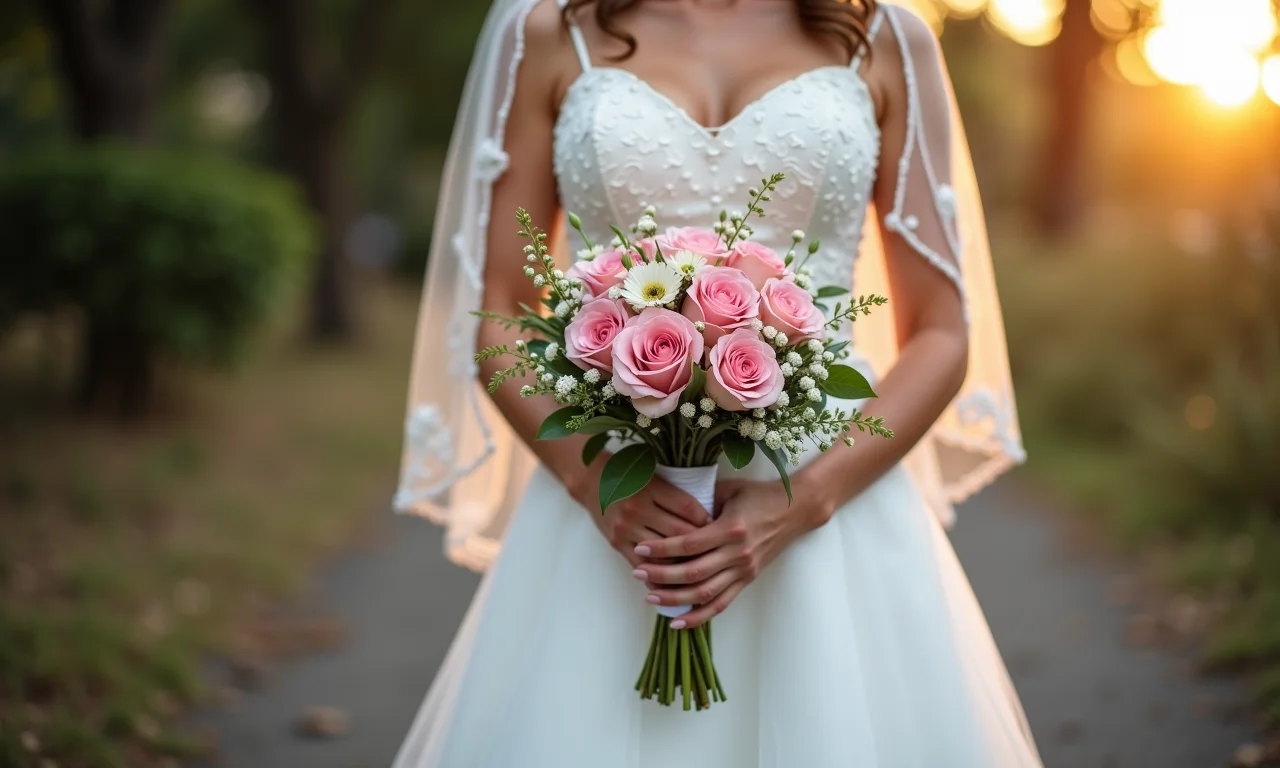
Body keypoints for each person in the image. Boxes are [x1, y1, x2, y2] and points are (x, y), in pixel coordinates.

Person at [392, 0, 1041, 765]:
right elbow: (496, 306)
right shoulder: (548, 32)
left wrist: (805, 501)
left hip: (823, 500)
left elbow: (940, 327)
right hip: (617, 501)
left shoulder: (886, 38)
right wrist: (597, 481)